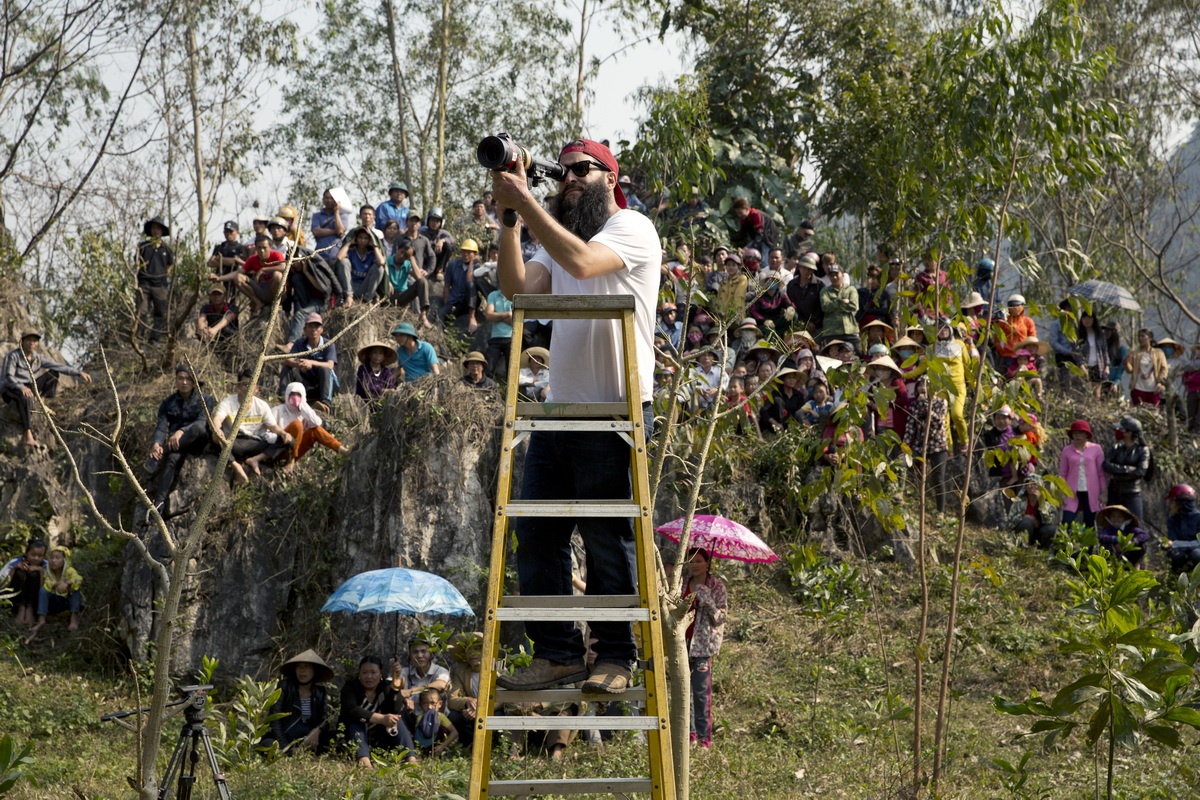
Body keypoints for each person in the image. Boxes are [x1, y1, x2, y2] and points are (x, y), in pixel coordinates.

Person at [490, 137, 659, 695]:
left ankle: (616, 653)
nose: (568, 179)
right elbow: (516, 288)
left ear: (613, 178)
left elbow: (584, 265)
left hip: (616, 409)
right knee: (535, 533)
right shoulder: (556, 241)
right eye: (560, 173)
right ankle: (558, 652)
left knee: (608, 536)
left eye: (582, 170)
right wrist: (511, 218)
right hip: (561, 411)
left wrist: (530, 205)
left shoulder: (632, 230)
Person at [146, 364, 216, 518]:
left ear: (194, 381)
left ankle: (162, 452)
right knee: (172, 460)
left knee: (197, 428)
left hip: (198, 442)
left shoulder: (206, 399)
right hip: (176, 446)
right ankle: (158, 504)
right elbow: (161, 427)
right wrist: (156, 444)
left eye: (188, 379)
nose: (184, 382)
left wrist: (181, 431)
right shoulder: (167, 403)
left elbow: (202, 422)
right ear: (176, 380)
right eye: (181, 378)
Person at [1, 331, 92, 448]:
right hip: (11, 388)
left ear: (37, 344)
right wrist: (21, 387)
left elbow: (58, 366)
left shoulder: (37, 358)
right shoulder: (13, 356)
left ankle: (42, 401)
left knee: (53, 373)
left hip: (29, 387)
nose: (31, 343)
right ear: (22, 341)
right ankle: (27, 434)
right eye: (28, 340)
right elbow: (9, 377)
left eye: (34, 341)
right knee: (25, 397)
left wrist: (79, 373)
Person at [210, 368, 293, 484]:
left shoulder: (262, 406)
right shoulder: (228, 403)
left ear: (256, 389)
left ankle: (255, 460)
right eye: (244, 384)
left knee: (289, 441)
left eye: (251, 384)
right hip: (235, 442)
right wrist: (218, 429)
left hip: (255, 443)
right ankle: (235, 465)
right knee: (216, 438)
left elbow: (273, 427)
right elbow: (217, 419)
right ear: (238, 386)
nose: (248, 387)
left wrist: (283, 433)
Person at [249, 382, 349, 475]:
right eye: (292, 394)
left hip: (296, 451)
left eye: (298, 394)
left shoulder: (304, 413)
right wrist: (275, 436)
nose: (295, 397)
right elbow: (262, 430)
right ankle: (290, 461)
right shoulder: (277, 411)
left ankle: (341, 449)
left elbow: (317, 423)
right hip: (277, 450)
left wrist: (304, 408)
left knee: (315, 430)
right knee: (297, 424)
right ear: (287, 395)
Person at [338, 655, 418, 767]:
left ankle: (411, 758)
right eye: (364, 673)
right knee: (357, 723)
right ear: (359, 674)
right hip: (355, 734)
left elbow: (394, 709)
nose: (369, 676)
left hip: (380, 737)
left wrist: (395, 689)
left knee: (396, 720)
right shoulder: (350, 687)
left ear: (380, 674)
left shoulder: (385, 686)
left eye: (373, 672)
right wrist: (381, 719)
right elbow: (352, 710)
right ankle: (364, 762)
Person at [683, 547, 726, 749]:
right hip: (682, 644)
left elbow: (720, 618)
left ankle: (704, 739)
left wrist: (706, 598)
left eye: (698, 561)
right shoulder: (683, 584)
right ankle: (689, 736)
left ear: (707, 564)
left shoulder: (716, 586)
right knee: (684, 691)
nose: (694, 565)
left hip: (703, 646)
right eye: (690, 561)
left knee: (700, 693)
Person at [260, 649, 334, 754]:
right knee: (268, 745)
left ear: (315, 670)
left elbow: (324, 719)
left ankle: (305, 751)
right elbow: (274, 719)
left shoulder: (320, 693)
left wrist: (317, 730)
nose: (302, 671)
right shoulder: (284, 687)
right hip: (283, 737)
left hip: (306, 739)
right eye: (299, 667)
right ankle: (290, 753)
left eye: (307, 667)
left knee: (334, 738)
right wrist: (287, 748)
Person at [904, 376, 950, 513]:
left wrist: (927, 405)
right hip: (920, 445)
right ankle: (911, 502)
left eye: (927, 385)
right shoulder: (914, 405)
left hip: (938, 445)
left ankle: (940, 511)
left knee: (938, 479)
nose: (923, 388)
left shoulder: (942, 402)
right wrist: (905, 447)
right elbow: (910, 427)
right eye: (920, 385)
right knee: (907, 468)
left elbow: (939, 422)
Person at [208, 234, 286, 313]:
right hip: (261, 290)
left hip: (275, 291)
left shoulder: (276, 255)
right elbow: (238, 272)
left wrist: (263, 269)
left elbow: (284, 267)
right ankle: (258, 303)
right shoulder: (253, 259)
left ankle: (276, 303)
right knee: (239, 278)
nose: (262, 251)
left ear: (270, 247)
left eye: (264, 248)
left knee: (277, 275)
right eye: (259, 248)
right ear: (255, 248)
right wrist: (219, 278)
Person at [280, 313, 336, 412]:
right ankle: (283, 397)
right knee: (287, 368)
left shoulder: (329, 344)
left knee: (325, 370)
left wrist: (311, 362)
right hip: (305, 384)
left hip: (323, 386)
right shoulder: (299, 343)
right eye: (310, 326)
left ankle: (325, 403)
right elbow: (287, 359)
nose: (313, 329)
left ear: (321, 329)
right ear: (305, 329)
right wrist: (299, 364)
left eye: (317, 326)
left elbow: (330, 365)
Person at [1059, 419, 1106, 529]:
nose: (1077, 435)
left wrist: (1104, 493)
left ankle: (1087, 546)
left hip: (1091, 492)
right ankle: (1063, 546)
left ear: (1086, 434)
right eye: (1075, 433)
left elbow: (1101, 473)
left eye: (1080, 432)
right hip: (1071, 491)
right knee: (1066, 522)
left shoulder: (1096, 449)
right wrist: (1062, 492)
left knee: (1089, 524)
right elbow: (1063, 473)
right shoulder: (1067, 450)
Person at [1102, 417, 1151, 521]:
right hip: (1114, 492)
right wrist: (1127, 469)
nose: (1118, 432)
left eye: (1122, 430)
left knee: (1136, 525)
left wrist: (1117, 472)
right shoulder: (1116, 448)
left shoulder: (1142, 450)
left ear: (1129, 433)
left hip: (1132, 492)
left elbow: (1140, 472)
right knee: (1110, 524)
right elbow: (1106, 465)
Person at [27, 545, 82, 636]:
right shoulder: (47, 572)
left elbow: (78, 579)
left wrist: (68, 584)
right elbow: (47, 583)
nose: (53, 561)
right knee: (43, 590)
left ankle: (74, 619)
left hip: (67, 601)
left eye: (57, 558)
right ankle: (41, 620)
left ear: (64, 560)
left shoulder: (70, 571)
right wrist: (57, 584)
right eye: (51, 558)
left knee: (75, 590)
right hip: (55, 601)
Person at [136, 216, 173, 342]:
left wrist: (163, 275)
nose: (155, 231)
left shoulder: (167, 248)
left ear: (162, 231)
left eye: (158, 228)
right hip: (144, 284)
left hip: (160, 285)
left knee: (160, 314)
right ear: (150, 230)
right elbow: (136, 263)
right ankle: (138, 338)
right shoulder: (143, 246)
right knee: (142, 312)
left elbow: (170, 265)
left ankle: (154, 340)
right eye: (153, 228)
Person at [446, 632, 483, 747]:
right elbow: (452, 700)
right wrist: (468, 701)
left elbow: (501, 700)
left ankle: (495, 744)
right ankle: (469, 744)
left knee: (499, 714)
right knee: (454, 715)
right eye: (469, 650)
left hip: (491, 709)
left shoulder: (498, 670)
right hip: (471, 712)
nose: (472, 654)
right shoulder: (462, 672)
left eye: (477, 649)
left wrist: (481, 707)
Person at [385, 242, 433, 327]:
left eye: (405, 255)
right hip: (389, 295)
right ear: (397, 249)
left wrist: (411, 259)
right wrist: (386, 281)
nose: (402, 256)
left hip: (402, 295)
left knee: (423, 282)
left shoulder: (407, 264)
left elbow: (419, 277)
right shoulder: (387, 261)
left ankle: (423, 315)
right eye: (401, 252)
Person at [335, 226, 387, 306]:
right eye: (360, 237)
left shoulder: (371, 253)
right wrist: (349, 243)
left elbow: (381, 262)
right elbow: (339, 257)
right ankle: (349, 297)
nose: (362, 240)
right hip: (350, 286)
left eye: (366, 238)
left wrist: (375, 246)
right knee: (344, 262)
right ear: (356, 238)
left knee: (379, 269)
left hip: (364, 287)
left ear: (369, 240)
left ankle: (368, 299)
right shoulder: (351, 251)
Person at [0, 539, 47, 626]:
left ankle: (30, 608)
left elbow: (45, 590)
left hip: (36, 599)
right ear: (26, 553)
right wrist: (14, 569)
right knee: (20, 573)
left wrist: (40, 571)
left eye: (40, 556)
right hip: (14, 598)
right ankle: (21, 608)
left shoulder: (46, 566)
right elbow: (2, 587)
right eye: (33, 555)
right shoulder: (13, 563)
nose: (36, 558)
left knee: (34, 575)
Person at [819, 263, 859, 350]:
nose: (834, 277)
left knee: (857, 354)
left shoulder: (851, 289)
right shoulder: (825, 291)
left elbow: (854, 306)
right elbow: (825, 307)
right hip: (831, 331)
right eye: (831, 275)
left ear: (842, 275)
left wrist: (834, 304)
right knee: (832, 359)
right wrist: (841, 301)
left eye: (836, 274)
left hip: (850, 330)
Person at [1125, 328, 1169, 406]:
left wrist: (1160, 382)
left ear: (1150, 338)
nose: (1140, 338)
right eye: (1139, 336)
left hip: (1153, 389)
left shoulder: (1158, 352)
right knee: (1139, 411)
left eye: (1143, 336)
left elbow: (1164, 368)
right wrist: (1127, 363)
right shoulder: (1135, 353)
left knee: (1153, 412)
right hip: (1138, 388)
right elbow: (1130, 370)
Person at [1008, 479, 1056, 548]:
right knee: (1026, 523)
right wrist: (1027, 517)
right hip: (1022, 534)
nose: (1031, 486)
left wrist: (1041, 502)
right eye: (1029, 483)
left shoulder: (1046, 503)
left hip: (1039, 534)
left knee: (1050, 529)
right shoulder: (1019, 501)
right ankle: (1023, 549)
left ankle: (1043, 552)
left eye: (1035, 484)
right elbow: (1010, 521)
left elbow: (1050, 521)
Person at [412, 688, 458, 757]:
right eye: (425, 704)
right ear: (420, 705)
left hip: (439, 745)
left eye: (433, 703)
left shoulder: (441, 717)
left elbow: (454, 733)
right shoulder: (420, 718)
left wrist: (442, 746)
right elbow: (417, 737)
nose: (429, 707)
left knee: (442, 729)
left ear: (439, 704)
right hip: (424, 747)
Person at [1165, 484, 1200, 573]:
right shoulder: (1172, 520)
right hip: (1182, 552)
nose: (1170, 506)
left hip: (1196, 552)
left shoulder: (1198, 517)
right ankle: (1177, 582)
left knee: (1196, 554)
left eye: (1172, 502)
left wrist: (1176, 544)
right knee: (1175, 555)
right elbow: (1172, 540)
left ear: (1181, 503)